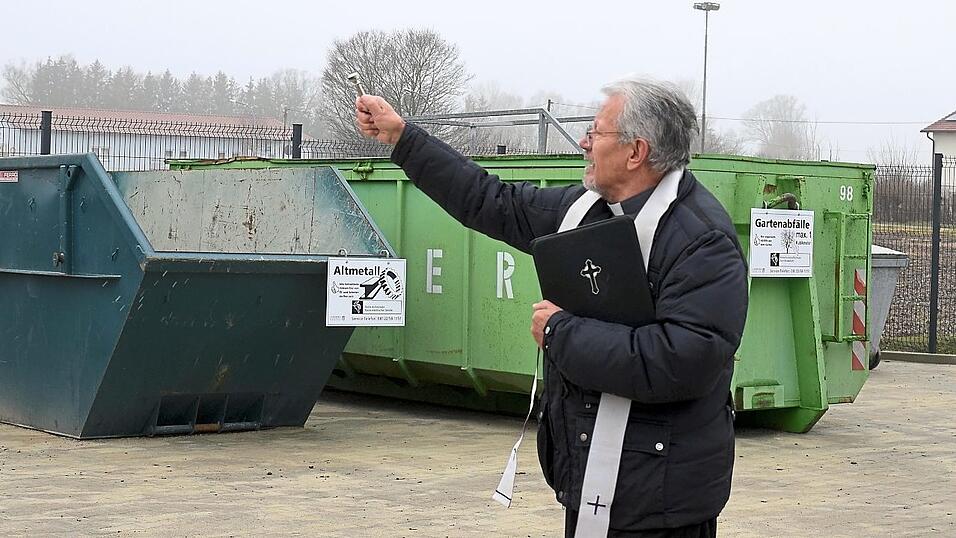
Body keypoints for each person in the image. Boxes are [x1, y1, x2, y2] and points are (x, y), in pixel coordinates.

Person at [355, 78, 748, 537]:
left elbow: (682, 359)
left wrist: (563, 333)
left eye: (595, 132)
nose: (584, 142)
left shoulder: (702, 242)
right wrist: (403, 138)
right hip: (589, 481)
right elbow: (490, 200)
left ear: (635, 152)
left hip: (662, 502)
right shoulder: (585, 211)